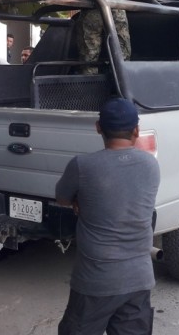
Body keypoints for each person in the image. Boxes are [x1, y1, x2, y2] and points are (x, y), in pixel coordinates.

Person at [55, 97, 160, 335]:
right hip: (139, 279)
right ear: (136, 130)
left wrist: (79, 200)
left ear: (98, 127)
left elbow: (61, 197)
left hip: (95, 281)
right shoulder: (151, 165)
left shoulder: (82, 166)